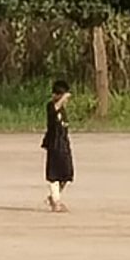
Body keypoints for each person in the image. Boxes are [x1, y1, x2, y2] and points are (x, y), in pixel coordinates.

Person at [42, 79, 75, 211]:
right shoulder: (51, 106)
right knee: (54, 174)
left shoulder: (63, 110)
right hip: (54, 144)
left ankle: (53, 196)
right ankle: (56, 201)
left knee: (67, 174)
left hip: (64, 144)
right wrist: (62, 97)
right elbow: (54, 109)